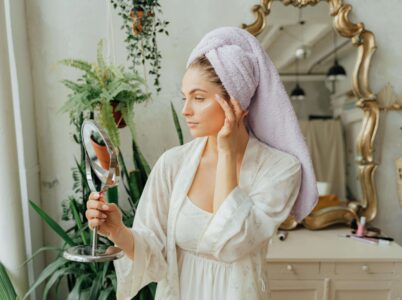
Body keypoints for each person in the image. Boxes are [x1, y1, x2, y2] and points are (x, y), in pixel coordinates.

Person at [85, 26, 318, 299]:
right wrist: (118, 231)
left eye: (198, 98)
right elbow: (155, 256)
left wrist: (227, 153)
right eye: (185, 98)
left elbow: (230, 244)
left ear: (235, 102)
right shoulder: (173, 164)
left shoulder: (280, 169)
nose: (186, 110)